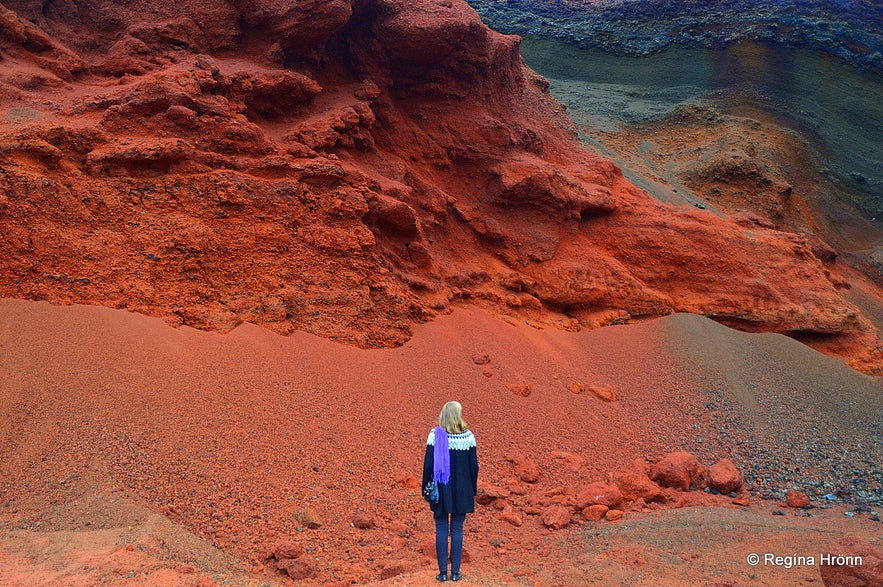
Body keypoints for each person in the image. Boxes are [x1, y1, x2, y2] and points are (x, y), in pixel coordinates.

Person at [422, 401, 479, 582]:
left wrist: (426, 489)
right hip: (462, 490)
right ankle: (455, 573)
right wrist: (472, 489)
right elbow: (474, 467)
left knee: (440, 528)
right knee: (457, 529)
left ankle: (442, 574)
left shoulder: (435, 435)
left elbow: (428, 466)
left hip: (441, 489)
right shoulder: (468, 437)